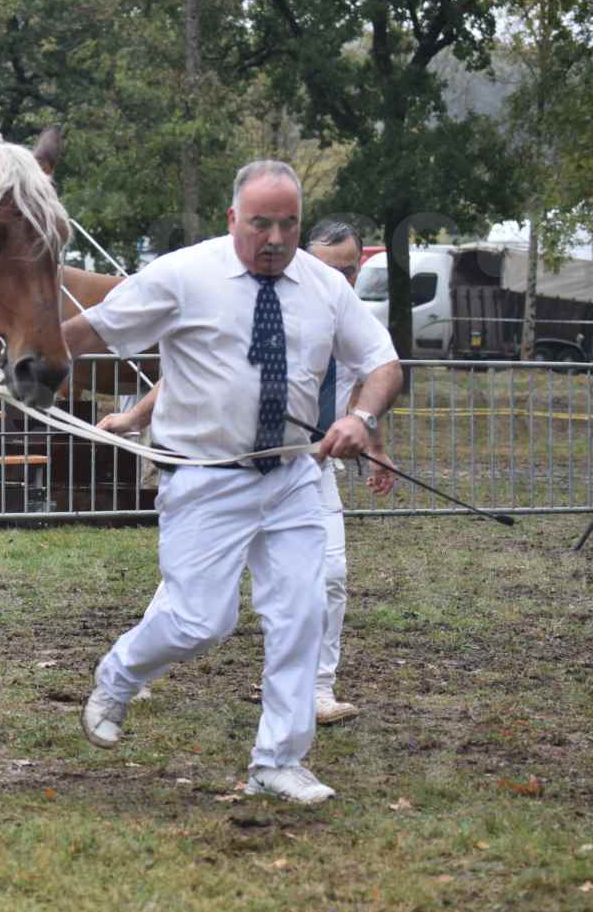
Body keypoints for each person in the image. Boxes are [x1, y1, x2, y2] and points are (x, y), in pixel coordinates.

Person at [62, 161, 401, 805]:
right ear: (232, 219)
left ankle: (277, 760)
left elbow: (381, 362)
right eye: (260, 224)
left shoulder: (326, 286)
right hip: (206, 480)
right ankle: (119, 675)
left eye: (288, 224)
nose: (275, 238)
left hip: (295, 476)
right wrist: (22, 358)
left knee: (303, 612)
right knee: (199, 622)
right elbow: (95, 327)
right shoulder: (184, 275)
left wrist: (361, 417)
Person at [97, 219, 397, 727]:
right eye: (331, 269)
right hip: (230, 468)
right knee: (193, 588)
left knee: (330, 577)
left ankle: (317, 691)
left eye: (351, 270)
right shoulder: (257, 308)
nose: (342, 280)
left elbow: (367, 385)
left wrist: (374, 444)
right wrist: (133, 418)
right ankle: (137, 669)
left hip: (307, 469)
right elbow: (185, 378)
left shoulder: (349, 316)